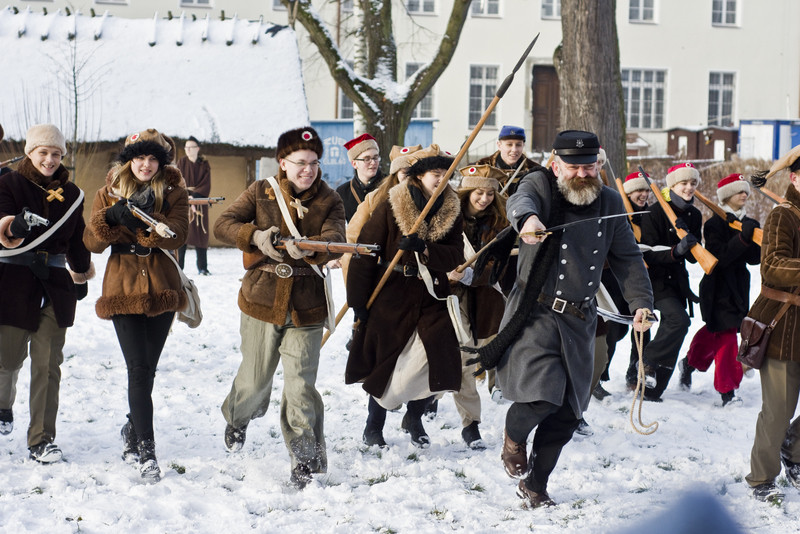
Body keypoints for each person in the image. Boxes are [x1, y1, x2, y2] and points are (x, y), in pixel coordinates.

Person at [469, 130, 653, 508]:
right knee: (542, 396)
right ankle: (513, 436)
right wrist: (528, 220)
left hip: (580, 320)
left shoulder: (609, 202)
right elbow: (521, 199)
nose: (584, 175)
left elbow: (627, 259)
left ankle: (535, 485)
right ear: (556, 165)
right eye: (574, 167)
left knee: (568, 413)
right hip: (536, 314)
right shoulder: (540, 183)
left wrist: (640, 303)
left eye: (590, 167)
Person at [214, 127, 345, 490]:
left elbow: (337, 239)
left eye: (314, 163)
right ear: (283, 163)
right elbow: (223, 224)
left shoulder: (331, 199)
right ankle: (237, 417)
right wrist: (256, 237)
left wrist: (314, 247)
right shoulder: (261, 191)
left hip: (308, 304)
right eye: (300, 163)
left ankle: (304, 459)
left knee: (300, 385)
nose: (308, 170)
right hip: (261, 299)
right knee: (255, 380)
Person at [83, 129, 189, 482]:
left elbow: (178, 234)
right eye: (139, 157)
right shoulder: (106, 192)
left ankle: (132, 428)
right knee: (138, 370)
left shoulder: (174, 192)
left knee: (149, 369)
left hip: (162, 285)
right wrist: (111, 218)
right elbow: (91, 243)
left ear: (161, 162)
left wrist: (147, 224)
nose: (145, 164)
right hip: (122, 286)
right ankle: (147, 450)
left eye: (153, 158)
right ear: (129, 159)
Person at [345, 151, 464, 448]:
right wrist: (358, 300)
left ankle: (414, 416)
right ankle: (374, 425)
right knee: (388, 360)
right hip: (392, 294)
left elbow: (455, 255)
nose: (441, 179)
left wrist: (425, 250)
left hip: (430, 294)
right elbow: (366, 250)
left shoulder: (452, 207)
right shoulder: (392, 203)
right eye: (435, 174)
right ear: (420, 176)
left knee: (432, 358)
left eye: (445, 174)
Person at [0, 124, 93, 462]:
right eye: (43, 152)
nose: (50, 159)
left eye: (56, 154)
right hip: (13, 280)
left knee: (48, 364)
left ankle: (40, 439)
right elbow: (2, 219)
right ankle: (3, 405)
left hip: (55, 284)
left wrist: (80, 276)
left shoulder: (72, 195)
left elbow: (79, 238)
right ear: (30, 152)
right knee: (7, 359)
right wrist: (16, 225)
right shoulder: (8, 183)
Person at [745, 145, 800, 503]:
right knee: (778, 410)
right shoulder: (784, 215)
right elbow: (773, 266)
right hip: (783, 326)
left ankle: (793, 450)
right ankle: (761, 478)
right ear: (794, 177)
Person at [680, 174, 760, 406]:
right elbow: (720, 258)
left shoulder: (747, 221)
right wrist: (743, 239)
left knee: (716, 331)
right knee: (726, 337)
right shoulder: (714, 223)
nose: (744, 194)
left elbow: (754, 260)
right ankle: (728, 391)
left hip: (738, 286)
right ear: (727, 196)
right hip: (717, 286)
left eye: (745, 191)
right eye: (738, 191)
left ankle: (689, 363)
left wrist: (753, 238)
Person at [446, 163, 509, 449]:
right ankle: (471, 424)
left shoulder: (500, 224)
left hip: (486, 298)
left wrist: (473, 274)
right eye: (478, 192)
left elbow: (499, 265)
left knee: (486, 352)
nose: (483, 199)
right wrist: (447, 274)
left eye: (488, 193)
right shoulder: (447, 218)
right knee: (463, 359)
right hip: (451, 297)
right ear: (467, 191)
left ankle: (498, 386)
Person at [638, 163, 703, 401]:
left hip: (678, 283)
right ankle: (647, 361)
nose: (689, 188)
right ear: (672, 186)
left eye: (692, 183)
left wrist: (692, 245)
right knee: (679, 320)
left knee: (677, 331)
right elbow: (648, 253)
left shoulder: (694, 215)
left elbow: (697, 260)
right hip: (656, 281)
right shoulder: (655, 212)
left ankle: (653, 391)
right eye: (683, 183)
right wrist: (677, 250)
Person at [603, 171, 652, 391]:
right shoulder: (616, 210)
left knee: (642, 330)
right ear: (628, 193)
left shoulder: (654, 214)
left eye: (646, 190)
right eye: (638, 191)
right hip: (614, 280)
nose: (642, 195)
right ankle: (600, 374)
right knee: (613, 331)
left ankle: (636, 373)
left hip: (642, 281)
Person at [475, 125, 544, 196]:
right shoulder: (482, 167)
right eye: (509, 145)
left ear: (523, 145)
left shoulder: (534, 170)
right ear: (499, 145)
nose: (514, 150)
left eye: (518, 145)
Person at [177, 136, 212, 275]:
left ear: (197, 148)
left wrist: (195, 196)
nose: (188, 150)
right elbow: (177, 181)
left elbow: (206, 184)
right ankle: (179, 267)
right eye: (186, 147)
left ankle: (202, 267)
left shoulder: (204, 165)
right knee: (183, 234)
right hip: (184, 203)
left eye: (191, 147)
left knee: (201, 234)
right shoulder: (181, 162)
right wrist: (186, 195)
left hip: (200, 202)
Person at [336, 133, 385, 221]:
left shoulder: (390, 184)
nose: (373, 162)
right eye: (367, 159)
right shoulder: (343, 192)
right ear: (354, 164)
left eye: (375, 158)